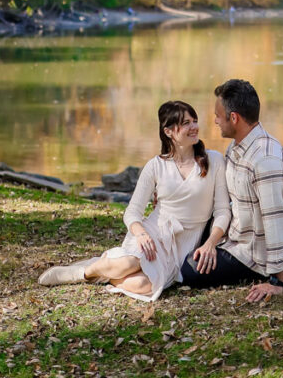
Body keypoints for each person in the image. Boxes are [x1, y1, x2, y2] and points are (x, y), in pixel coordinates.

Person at [37, 101, 230, 301]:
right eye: (186, 123)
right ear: (169, 131)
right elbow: (132, 212)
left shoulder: (214, 160)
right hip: (154, 233)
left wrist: (210, 244)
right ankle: (83, 273)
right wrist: (141, 234)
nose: (194, 127)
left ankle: (105, 273)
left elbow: (223, 211)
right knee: (128, 263)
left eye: (195, 121)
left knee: (144, 286)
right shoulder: (156, 166)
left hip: (184, 244)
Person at [180, 79, 283, 303]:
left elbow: (276, 221)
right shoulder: (236, 147)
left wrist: (277, 281)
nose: (215, 120)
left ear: (233, 117)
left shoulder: (265, 160)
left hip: (252, 256)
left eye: (217, 115)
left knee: (186, 271)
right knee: (178, 230)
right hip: (235, 235)